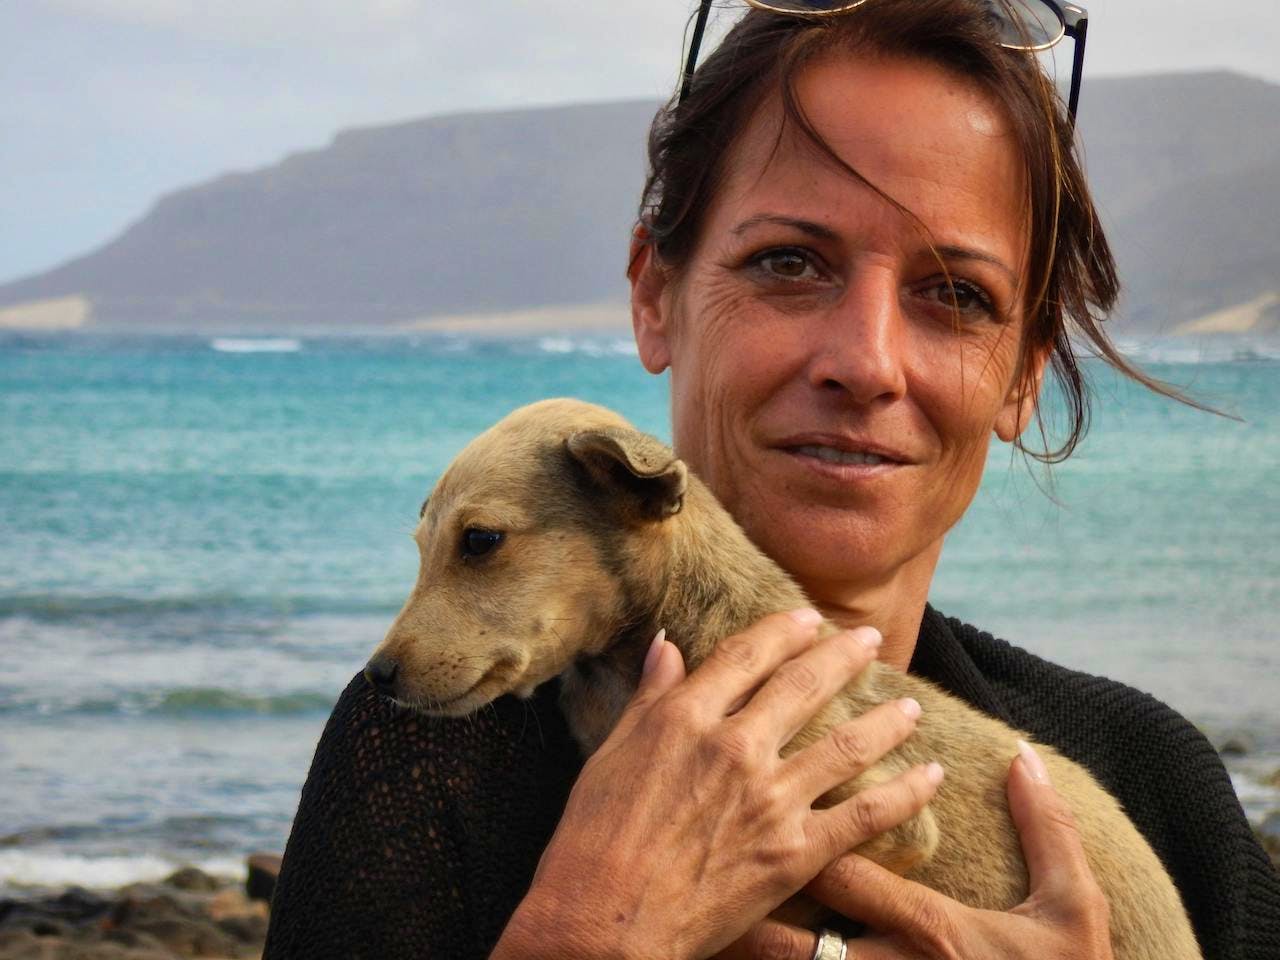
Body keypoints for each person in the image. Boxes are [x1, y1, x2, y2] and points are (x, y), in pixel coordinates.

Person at [262, 2, 1280, 958]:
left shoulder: (1155, 782)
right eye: (789, 263)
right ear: (655, 296)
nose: (866, 363)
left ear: (1024, 371)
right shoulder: (431, 761)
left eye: (955, 294)